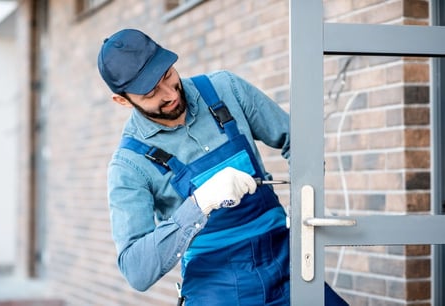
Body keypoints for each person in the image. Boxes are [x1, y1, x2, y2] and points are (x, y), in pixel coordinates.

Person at [97, 28, 348, 306]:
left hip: (287, 261)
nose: (171, 93)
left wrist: (304, 206)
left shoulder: (225, 89)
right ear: (123, 100)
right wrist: (200, 204)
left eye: (167, 74)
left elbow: (301, 143)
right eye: (151, 92)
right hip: (218, 286)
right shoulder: (129, 166)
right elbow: (136, 270)